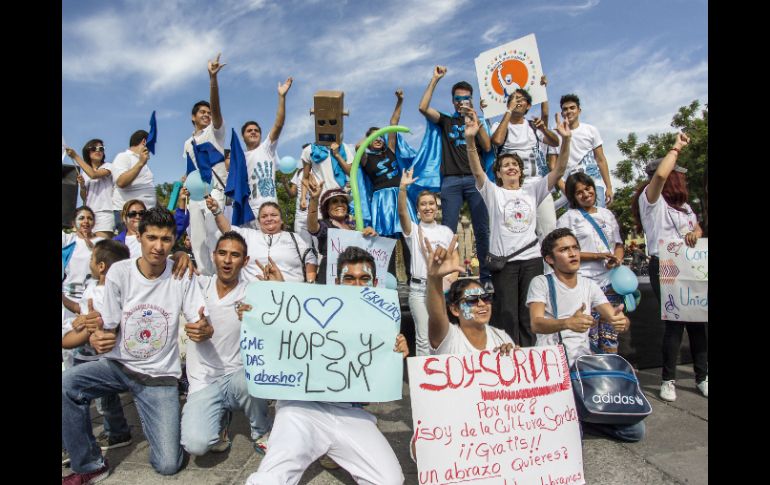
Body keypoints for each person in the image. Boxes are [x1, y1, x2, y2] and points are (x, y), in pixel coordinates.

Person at [62, 208, 211, 483]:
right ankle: (89, 465)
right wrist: (98, 337)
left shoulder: (181, 273)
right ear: (139, 237)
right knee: (67, 384)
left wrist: (203, 329)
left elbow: (200, 321)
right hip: (119, 366)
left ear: (174, 240)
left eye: (166, 240)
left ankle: (157, 421)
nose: (158, 246)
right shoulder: (120, 271)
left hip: (160, 377)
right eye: (151, 237)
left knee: (168, 465)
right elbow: (108, 327)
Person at [245, 246, 408, 485]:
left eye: (364, 279)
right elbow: (283, 321)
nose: (356, 285)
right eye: (349, 279)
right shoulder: (314, 306)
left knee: (390, 481)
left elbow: (376, 376)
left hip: (351, 414)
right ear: (336, 282)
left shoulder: (383, 322)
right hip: (301, 409)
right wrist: (265, 302)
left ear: (374, 282)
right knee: (270, 478)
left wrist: (397, 351)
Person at [464, 109, 572, 347]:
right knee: (507, 316)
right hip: (505, 263)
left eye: (515, 164)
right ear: (499, 173)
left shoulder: (533, 190)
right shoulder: (493, 192)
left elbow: (559, 170)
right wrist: (471, 140)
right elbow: (476, 170)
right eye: (505, 165)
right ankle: (512, 364)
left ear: (521, 171)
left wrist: (566, 141)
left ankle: (531, 360)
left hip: (531, 260)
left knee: (529, 314)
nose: (511, 167)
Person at [528, 228, 642, 442]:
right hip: (555, 367)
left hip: (584, 366)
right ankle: (572, 421)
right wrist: (566, 323)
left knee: (635, 432)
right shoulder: (541, 283)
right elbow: (536, 323)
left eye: (575, 248)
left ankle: (579, 420)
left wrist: (621, 321)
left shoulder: (589, 285)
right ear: (550, 259)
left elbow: (612, 316)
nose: (573, 253)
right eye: (564, 250)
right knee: (570, 439)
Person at [180, 231, 271, 457]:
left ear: (245, 261)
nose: (227, 260)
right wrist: (179, 254)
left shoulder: (254, 291)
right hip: (203, 381)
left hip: (237, 375)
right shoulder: (198, 285)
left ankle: (261, 431)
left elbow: (280, 321)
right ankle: (219, 421)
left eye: (235, 255)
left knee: (252, 379)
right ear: (214, 256)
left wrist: (275, 292)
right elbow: (167, 268)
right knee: (196, 446)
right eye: (222, 253)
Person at [632, 132, 707, 401]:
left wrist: (695, 233)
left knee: (698, 323)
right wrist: (675, 148)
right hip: (665, 265)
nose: (681, 178)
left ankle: (702, 376)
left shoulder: (685, 207)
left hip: (691, 267)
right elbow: (661, 177)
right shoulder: (651, 200)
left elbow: (696, 226)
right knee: (675, 324)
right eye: (679, 173)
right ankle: (668, 379)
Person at [61, 240, 132, 467]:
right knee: (100, 401)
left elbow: (96, 322)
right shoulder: (93, 286)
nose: (88, 262)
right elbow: (80, 309)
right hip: (84, 352)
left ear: (101, 266)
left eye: (91, 259)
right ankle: (116, 431)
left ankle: (115, 433)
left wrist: (81, 329)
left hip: (95, 355)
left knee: (101, 403)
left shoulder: (105, 293)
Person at [418, 65, 492, 281]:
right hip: (450, 181)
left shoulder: (477, 122)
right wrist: (435, 79)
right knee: (447, 230)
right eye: (458, 99)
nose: (462, 102)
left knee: (481, 228)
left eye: (466, 98)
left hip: (474, 180)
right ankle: (447, 276)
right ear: (453, 101)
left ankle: (486, 277)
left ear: (471, 99)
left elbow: (487, 147)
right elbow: (423, 107)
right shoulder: (446, 121)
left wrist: (476, 121)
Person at [556, 172, 625, 354]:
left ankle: (612, 374)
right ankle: (590, 377)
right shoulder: (567, 218)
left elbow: (618, 244)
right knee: (588, 335)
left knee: (611, 333)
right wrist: (597, 256)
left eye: (588, 188)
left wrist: (616, 258)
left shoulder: (607, 214)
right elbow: (564, 251)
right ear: (573, 197)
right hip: (584, 283)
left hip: (610, 283)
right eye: (579, 192)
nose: (586, 194)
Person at [490, 76, 560, 242]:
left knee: (549, 233)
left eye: (521, 100)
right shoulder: (499, 126)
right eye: (514, 99)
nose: (517, 102)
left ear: (528, 105)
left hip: (538, 186)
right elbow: (497, 140)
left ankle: (549, 268)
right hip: (513, 190)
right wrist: (508, 111)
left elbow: (555, 141)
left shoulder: (533, 127)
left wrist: (544, 129)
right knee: (518, 235)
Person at [398, 168, 457, 356]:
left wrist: (449, 282)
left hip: (439, 289)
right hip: (418, 290)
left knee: (441, 336)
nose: (427, 207)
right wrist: (402, 189)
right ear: (417, 209)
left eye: (431, 203)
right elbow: (401, 213)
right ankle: (423, 380)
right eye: (423, 204)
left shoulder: (446, 232)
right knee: (423, 338)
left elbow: (454, 259)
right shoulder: (414, 230)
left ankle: (440, 375)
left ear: (437, 207)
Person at [423, 235, 515, 354]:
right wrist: (434, 278)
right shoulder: (449, 338)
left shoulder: (502, 338)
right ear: (455, 309)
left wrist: (513, 355)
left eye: (486, 298)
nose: (482, 304)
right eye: (472, 300)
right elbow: (436, 315)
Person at [184, 53, 228, 276]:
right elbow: (190, 171)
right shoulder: (187, 143)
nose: (207, 115)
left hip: (215, 193)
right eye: (202, 112)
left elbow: (217, 110)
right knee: (199, 242)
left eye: (209, 113)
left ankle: (222, 280)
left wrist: (213, 80)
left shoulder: (215, 133)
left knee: (216, 238)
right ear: (193, 117)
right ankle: (204, 286)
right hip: (195, 197)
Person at [206, 197, 318, 283]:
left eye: (273, 215)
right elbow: (227, 229)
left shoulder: (294, 238)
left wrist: (310, 285)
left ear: (282, 220)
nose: (269, 219)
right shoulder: (248, 235)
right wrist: (216, 211)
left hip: (291, 299)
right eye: (264, 216)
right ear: (259, 222)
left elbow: (310, 258)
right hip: (252, 299)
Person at [352, 89, 411, 237]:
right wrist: (372, 136)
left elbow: (393, 123)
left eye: (380, 137)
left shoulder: (390, 149)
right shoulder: (365, 157)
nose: (378, 139)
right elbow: (358, 146)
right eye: (374, 138)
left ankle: (411, 261)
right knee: (385, 238)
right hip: (382, 199)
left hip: (399, 194)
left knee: (407, 235)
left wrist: (400, 101)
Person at [547, 94, 614, 208]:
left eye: (572, 108)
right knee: (576, 224)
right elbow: (552, 166)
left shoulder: (591, 130)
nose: (568, 111)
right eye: (565, 109)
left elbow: (600, 159)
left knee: (598, 219)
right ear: (562, 113)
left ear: (579, 110)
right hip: (571, 188)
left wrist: (609, 187)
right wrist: (565, 189)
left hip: (593, 184)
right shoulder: (556, 135)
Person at [242, 77, 293, 224]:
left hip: (271, 209)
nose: (253, 132)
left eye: (256, 130)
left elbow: (278, 124)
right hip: (250, 211)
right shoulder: (240, 157)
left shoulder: (267, 149)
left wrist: (282, 97)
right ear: (243, 136)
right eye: (249, 130)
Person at [307, 183, 378, 284]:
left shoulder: (356, 227)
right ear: (327, 208)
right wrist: (314, 199)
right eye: (334, 201)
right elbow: (312, 227)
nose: (340, 204)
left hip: (353, 278)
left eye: (343, 201)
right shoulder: (325, 225)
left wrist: (372, 235)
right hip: (329, 278)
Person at [66, 140, 115, 238]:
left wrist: (75, 156)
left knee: (102, 248)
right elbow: (84, 198)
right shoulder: (85, 174)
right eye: (94, 149)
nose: (98, 151)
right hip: (89, 215)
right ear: (88, 152)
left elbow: (94, 174)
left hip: (104, 213)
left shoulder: (108, 166)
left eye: (101, 148)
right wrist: (83, 186)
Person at [110, 129, 156, 234]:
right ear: (144, 142)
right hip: (131, 215)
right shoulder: (124, 157)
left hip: (146, 215)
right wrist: (140, 163)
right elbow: (121, 182)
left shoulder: (142, 163)